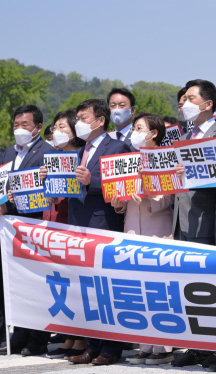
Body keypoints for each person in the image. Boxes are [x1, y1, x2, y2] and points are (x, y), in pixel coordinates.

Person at [53, 99, 130, 365]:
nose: (79, 123)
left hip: (103, 224)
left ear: (100, 121)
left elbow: (122, 185)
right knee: (86, 288)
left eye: (84, 118)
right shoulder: (78, 150)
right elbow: (69, 187)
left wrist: (92, 181)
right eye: (77, 118)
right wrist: (51, 186)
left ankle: (111, 347)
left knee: (106, 287)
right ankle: (92, 344)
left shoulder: (118, 146)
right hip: (78, 225)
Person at [110, 112, 175, 366]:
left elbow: (170, 198)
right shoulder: (128, 160)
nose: (134, 132)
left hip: (157, 228)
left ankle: (165, 346)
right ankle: (145, 346)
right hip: (132, 230)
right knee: (138, 288)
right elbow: (123, 197)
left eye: (139, 127)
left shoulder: (164, 158)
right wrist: (118, 203)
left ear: (154, 133)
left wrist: (148, 194)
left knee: (159, 289)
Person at [171, 79, 216, 369]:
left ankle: (215, 347)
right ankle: (196, 344)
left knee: (209, 287)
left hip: (206, 218)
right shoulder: (185, 133)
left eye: (191, 98)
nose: (185, 104)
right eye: (184, 98)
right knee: (189, 287)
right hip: (183, 219)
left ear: (207, 105)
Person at [0, 105, 55, 357]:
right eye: (16, 125)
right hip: (11, 226)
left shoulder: (48, 152)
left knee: (37, 282)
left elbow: (55, 190)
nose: (19, 129)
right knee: (17, 283)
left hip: (36, 225)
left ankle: (39, 338)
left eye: (25, 125)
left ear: (38, 128)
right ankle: (20, 333)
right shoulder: (8, 153)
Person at [39, 109, 88, 359]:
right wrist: (43, 181)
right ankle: (69, 335)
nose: (56, 132)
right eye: (55, 127)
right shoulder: (53, 157)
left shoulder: (80, 156)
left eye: (62, 128)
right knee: (61, 282)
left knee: (75, 281)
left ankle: (81, 338)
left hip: (71, 224)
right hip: (52, 224)